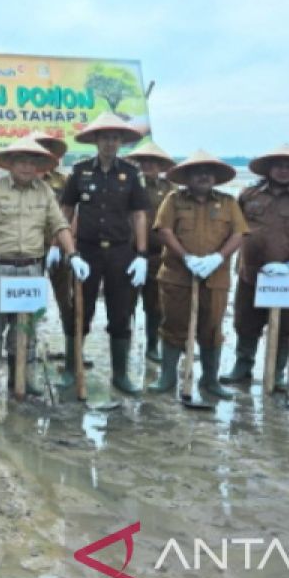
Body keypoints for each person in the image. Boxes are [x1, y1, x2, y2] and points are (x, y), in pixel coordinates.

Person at [0, 137, 84, 396]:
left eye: (32, 162)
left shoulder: (45, 192)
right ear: (10, 164)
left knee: (25, 326)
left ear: (38, 166)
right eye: (21, 162)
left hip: (30, 270)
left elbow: (60, 225)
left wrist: (73, 255)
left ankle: (21, 380)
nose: (27, 167)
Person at [58, 111, 150, 395]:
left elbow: (139, 215)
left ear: (121, 141)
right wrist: (64, 247)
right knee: (79, 311)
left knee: (120, 312)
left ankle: (120, 375)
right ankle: (72, 370)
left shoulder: (132, 174)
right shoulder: (80, 171)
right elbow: (66, 211)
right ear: (96, 141)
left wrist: (142, 255)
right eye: (105, 138)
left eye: (115, 138)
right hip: (86, 251)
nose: (110, 143)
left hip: (121, 252)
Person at [221, 144, 289, 391]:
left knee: (285, 327)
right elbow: (233, 227)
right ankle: (243, 366)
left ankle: (276, 373)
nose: (284, 171)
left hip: (287, 277)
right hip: (251, 272)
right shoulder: (250, 193)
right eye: (279, 166)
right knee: (245, 321)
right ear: (269, 169)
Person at [149, 150, 248, 401]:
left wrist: (218, 258)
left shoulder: (228, 202)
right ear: (188, 177)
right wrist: (186, 257)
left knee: (212, 327)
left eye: (208, 172)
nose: (203, 176)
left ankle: (210, 380)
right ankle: (167, 377)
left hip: (216, 278)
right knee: (172, 325)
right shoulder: (174, 200)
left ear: (214, 177)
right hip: (177, 275)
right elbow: (163, 230)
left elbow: (239, 234)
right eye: (197, 172)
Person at [28, 130, 79, 364]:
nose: (44, 155)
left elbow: (74, 213)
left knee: (67, 300)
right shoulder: (22, 178)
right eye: (39, 149)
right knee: (28, 302)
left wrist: (63, 245)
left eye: (49, 150)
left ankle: (73, 352)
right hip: (28, 249)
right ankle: (27, 350)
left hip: (59, 248)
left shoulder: (65, 181)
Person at [125, 141, 176, 363]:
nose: (148, 165)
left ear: (161, 166)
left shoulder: (170, 190)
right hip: (128, 254)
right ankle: (123, 345)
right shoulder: (127, 183)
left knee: (155, 305)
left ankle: (152, 346)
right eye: (143, 161)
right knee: (125, 303)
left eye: (153, 162)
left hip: (158, 255)